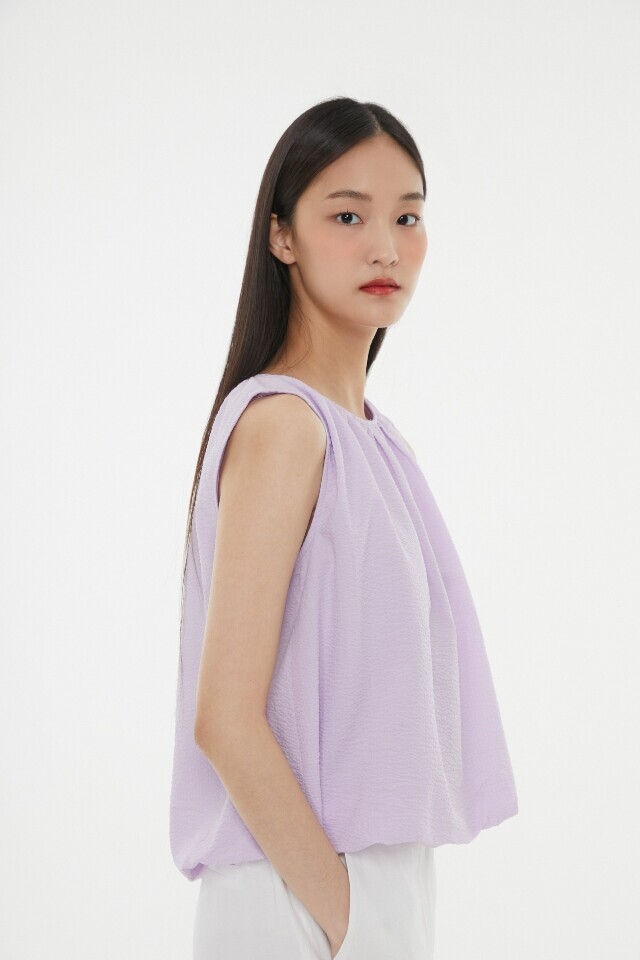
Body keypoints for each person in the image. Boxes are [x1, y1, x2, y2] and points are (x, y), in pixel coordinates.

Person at [169, 96, 519, 960]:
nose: (385, 248)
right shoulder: (285, 427)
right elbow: (225, 717)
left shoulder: (375, 440)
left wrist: (374, 913)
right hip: (296, 897)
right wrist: (349, 916)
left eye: (408, 217)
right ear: (281, 235)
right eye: (349, 216)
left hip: (368, 888)